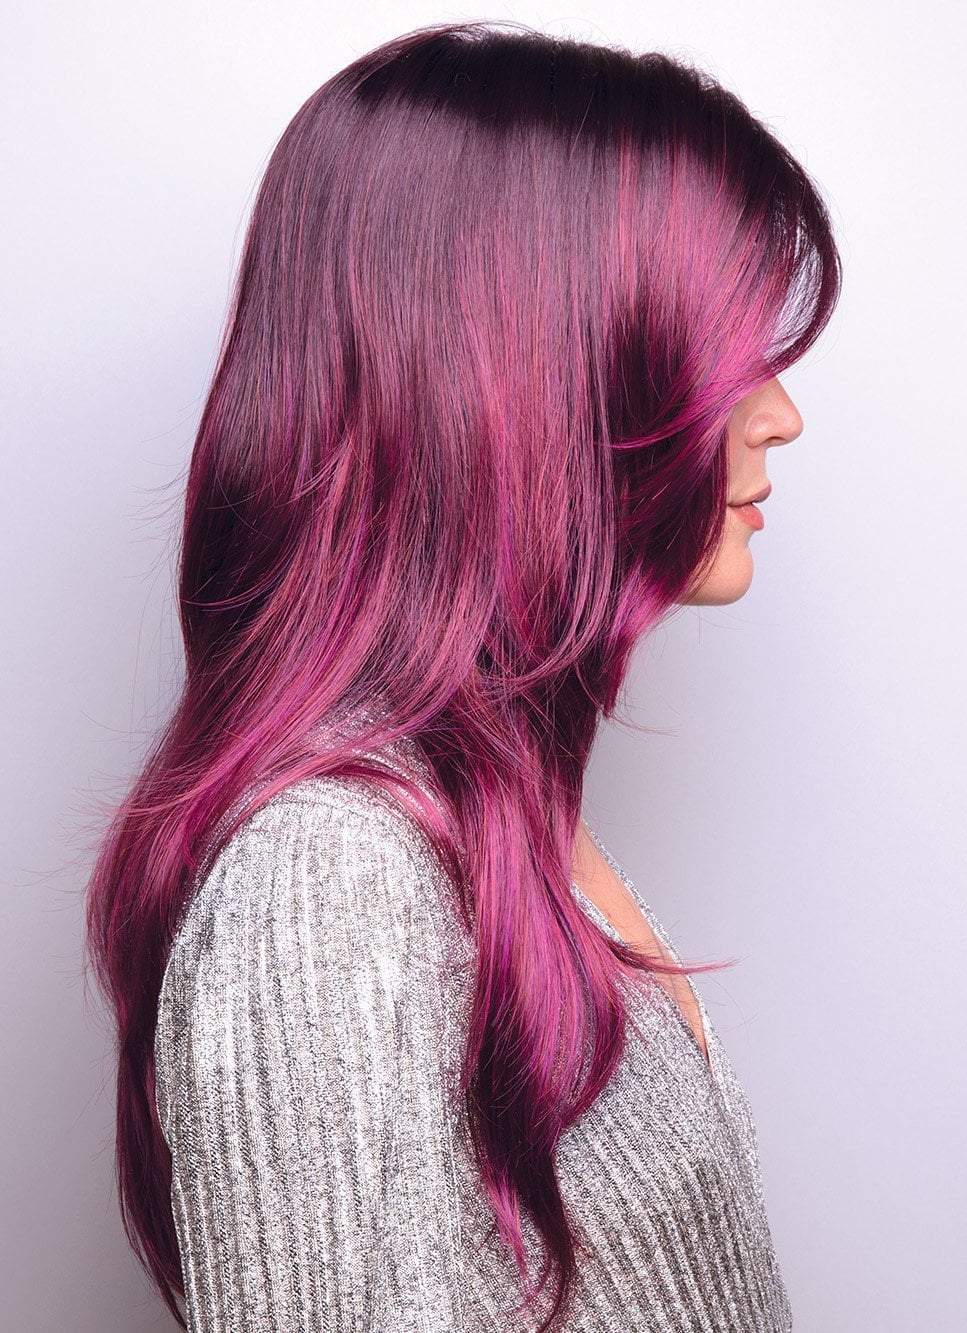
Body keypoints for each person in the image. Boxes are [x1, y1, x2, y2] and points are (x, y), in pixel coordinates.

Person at [86, 20, 841, 1332]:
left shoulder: (493, 816)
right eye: (724, 356)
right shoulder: (328, 880)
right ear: (538, 380)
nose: (781, 414)